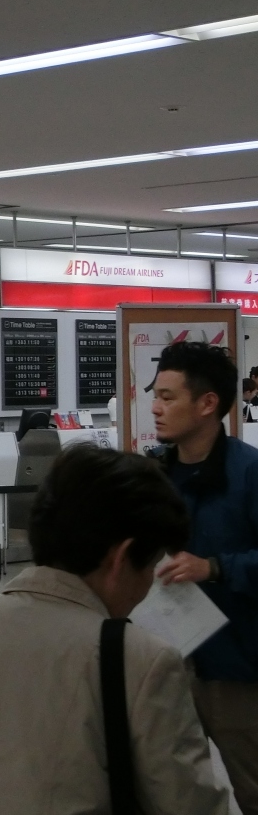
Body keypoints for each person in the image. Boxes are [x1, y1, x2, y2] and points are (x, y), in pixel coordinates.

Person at [0, 443, 228, 815]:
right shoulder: (143, 660)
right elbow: (189, 806)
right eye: (152, 566)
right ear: (121, 558)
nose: (148, 586)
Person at [151, 340, 258, 813]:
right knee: (170, 795)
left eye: (168, 397)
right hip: (164, 668)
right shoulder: (155, 476)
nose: (155, 408)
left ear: (208, 403)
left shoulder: (249, 473)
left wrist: (213, 567)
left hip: (238, 672)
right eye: (156, 396)